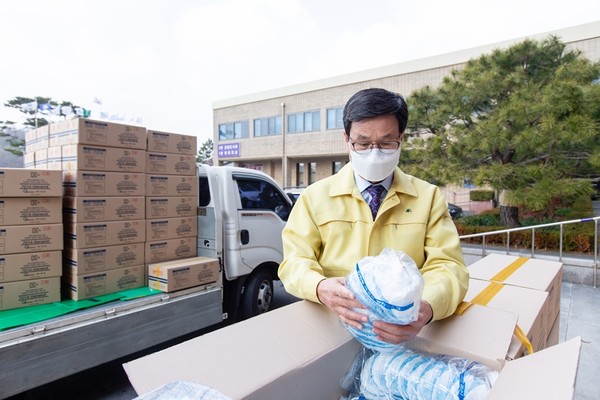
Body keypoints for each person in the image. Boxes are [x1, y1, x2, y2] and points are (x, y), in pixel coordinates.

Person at [278, 87, 468, 345]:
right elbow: (294, 262)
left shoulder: (428, 197)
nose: (375, 153)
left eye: (387, 142)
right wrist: (319, 287)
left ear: (402, 138)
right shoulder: (314, 197)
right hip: (330, 334)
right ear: (346, 139)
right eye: (363, 143)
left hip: (405, 336)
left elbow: (449, 267)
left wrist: (426, 307)